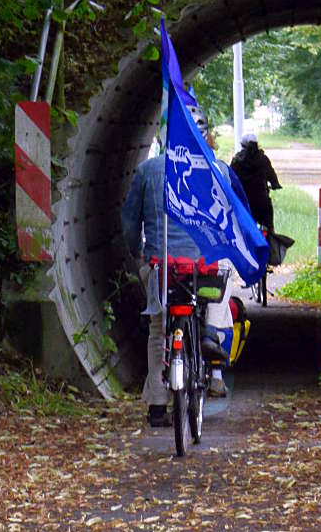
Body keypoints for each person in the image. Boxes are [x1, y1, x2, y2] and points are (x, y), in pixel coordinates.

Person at [121, 104, 228, 424]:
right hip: (202, 268)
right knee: (224, 275)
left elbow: (129, 222)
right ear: (203, 136)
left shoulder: (148, 170)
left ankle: (156, 404)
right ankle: (210, 331)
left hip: (161, 265)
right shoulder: (217, 169)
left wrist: (137, 253)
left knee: (157, 329)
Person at [230, 132, 282, 230]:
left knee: (241, 229)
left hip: (244, 203)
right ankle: (269, 238)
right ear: (257, 145)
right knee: (268, 226)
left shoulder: (237, 160)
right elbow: (271, 174)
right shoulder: (263, 159)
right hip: (262, 202)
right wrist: (275, 184)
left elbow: (230, 176)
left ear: (242, 145)